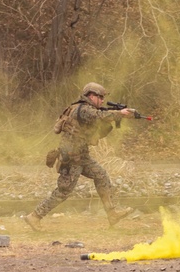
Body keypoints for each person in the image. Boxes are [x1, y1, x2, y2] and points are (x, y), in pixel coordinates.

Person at [23, 82, 135, 230]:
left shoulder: (86, 109)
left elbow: (100, 122)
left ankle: (112, 213)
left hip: (82, 155)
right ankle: (34, 216)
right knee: (64, 191)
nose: (102, 100)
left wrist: (118, 115)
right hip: (71, 158)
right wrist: (120, 114)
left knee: (101, 175)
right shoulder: (82, 109)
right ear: (91, 96)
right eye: (100, 97)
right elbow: (99, 116)